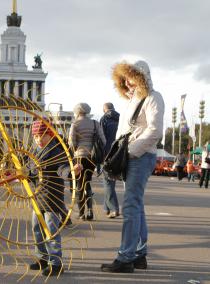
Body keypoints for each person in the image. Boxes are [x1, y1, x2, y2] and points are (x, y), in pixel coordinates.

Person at [101, 60, 164, 273]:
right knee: (136, 206)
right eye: (124, 80)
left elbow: (155, 131)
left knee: (130, 207)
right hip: (135, 155)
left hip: (141, 155)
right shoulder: (134, 100)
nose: (127, 83)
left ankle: (126, 257)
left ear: (141, 77)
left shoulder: (153, 97)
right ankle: (139, 254)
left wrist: (130, 151)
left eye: (130, 78)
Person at [28, 119, 81, 277]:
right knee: (37, 229)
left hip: (51, 198)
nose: (39, 139)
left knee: (51, 230)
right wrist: (23, 175)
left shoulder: (57, 150)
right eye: (36, 136)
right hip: (37, 197)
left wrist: (71, 172)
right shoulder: (34, 150)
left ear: (50, 134)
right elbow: (30, 171)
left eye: (42, 136)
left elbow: (62, 168)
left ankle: (56, 263)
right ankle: (42, 258)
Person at [69, 103, 106, 220]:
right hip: (92, 158)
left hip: (79, 157)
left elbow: (71, 143)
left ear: (77, 111)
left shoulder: (75, 124)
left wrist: (76, 149)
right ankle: (90, 211)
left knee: (79, 183)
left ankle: (81, 213)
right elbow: (103, 140)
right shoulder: (95, 123)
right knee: (87, 183)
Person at [100, 102, 120, 218]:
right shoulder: (120, 117)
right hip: (119, 154)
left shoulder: (104, 119)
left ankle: (114, 208)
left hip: (107, 154)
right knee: (110, 182)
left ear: (104, 109)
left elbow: (102, 138)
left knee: (107, 182)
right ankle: (106, 207)